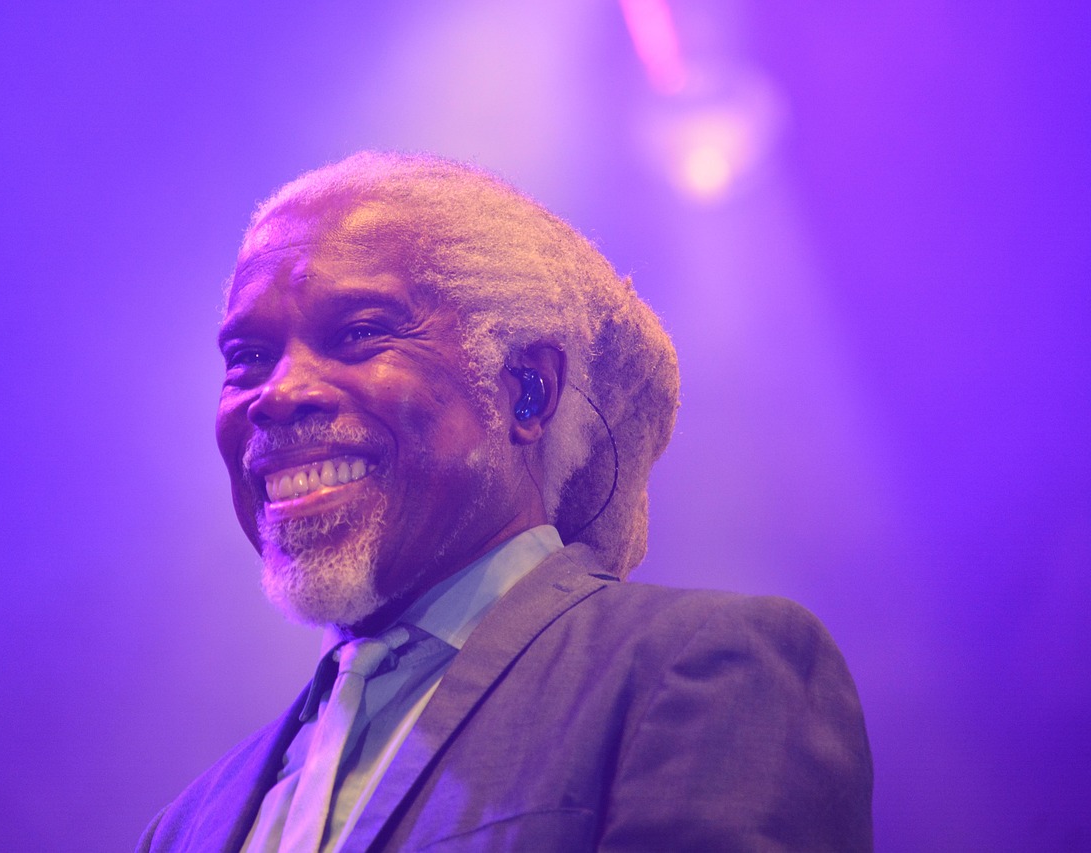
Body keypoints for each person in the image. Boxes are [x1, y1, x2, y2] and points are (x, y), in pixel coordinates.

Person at [138, 152, 873, 851]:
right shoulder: (184, 827)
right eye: (248, 358)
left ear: (526, 391)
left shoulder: (698, 670)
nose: (277, 394)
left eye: (359, 333)